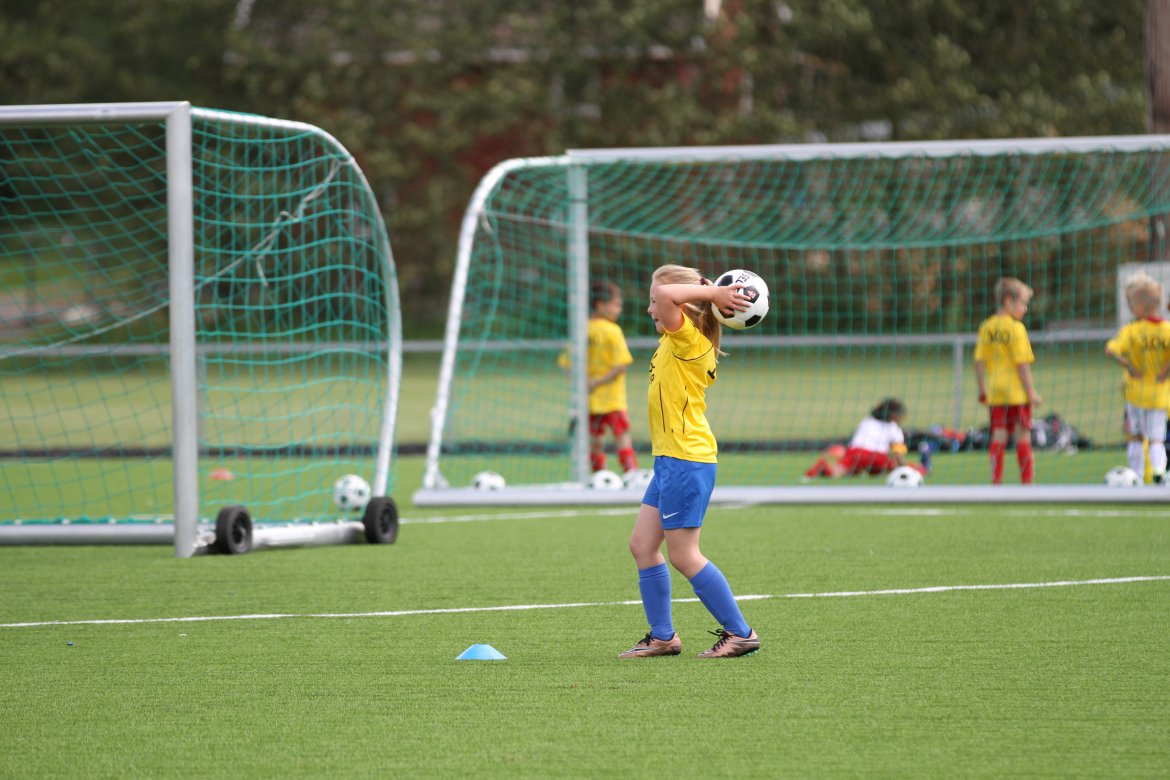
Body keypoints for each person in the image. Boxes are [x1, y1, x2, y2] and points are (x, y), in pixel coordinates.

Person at [619, 264, 759, 659]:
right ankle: (663, 636)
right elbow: (668, 298)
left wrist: (712, 294)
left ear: (685, 306)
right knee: (643, 545)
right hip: (670, 460)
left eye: (653, 301)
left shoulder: (689, 340)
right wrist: (707, 293)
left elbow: (668, 297)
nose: (651, 309)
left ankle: (741, 633)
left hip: (686, 459)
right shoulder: (675, 339)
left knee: (683, 554)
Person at [558, 281, 639, 474]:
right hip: (613, 400)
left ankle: (599, 476)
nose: (619, 310)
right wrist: (596, 382)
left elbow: (566, 364)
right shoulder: (612, 330)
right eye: (616, 305)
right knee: (622, 436)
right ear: (601, 305)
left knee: (595, 441)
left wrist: (581, 384)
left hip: (589, 401)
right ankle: (631, 474)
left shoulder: (581, 331)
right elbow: (621, 366)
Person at [974, 277, 1042, 484]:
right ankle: (1026, 483)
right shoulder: (1016, 329)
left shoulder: (986, 327)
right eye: (1022, 303)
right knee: (1023, 436)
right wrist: (1031, 392)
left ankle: (996, 481)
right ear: (1008, 301)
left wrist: (982, 389)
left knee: (999, 435)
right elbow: (1022, 364)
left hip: (996, 392)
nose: (1025, 308)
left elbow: (979, 361)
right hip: (1017, 393)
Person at [1105, 273, 1170, 483]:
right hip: (1159, 395)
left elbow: (1111, 349)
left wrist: (1129, 366)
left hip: (1135, 393)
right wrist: (1165, 370)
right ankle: (1160, 473)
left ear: (1140, 306)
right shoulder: (1166, 330)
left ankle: (1137, 476)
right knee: (1157, 439)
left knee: (1135, 437)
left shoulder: (1131, 331)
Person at [802, 398, 929, 479]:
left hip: (854, 452)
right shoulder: (893, 428)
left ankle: (823, 467)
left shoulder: (867, 421)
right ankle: (918, 469)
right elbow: (897, 454)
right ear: (893, 415)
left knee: (836, 473)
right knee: (894, 469)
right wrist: (905, 468)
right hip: (875, 456)